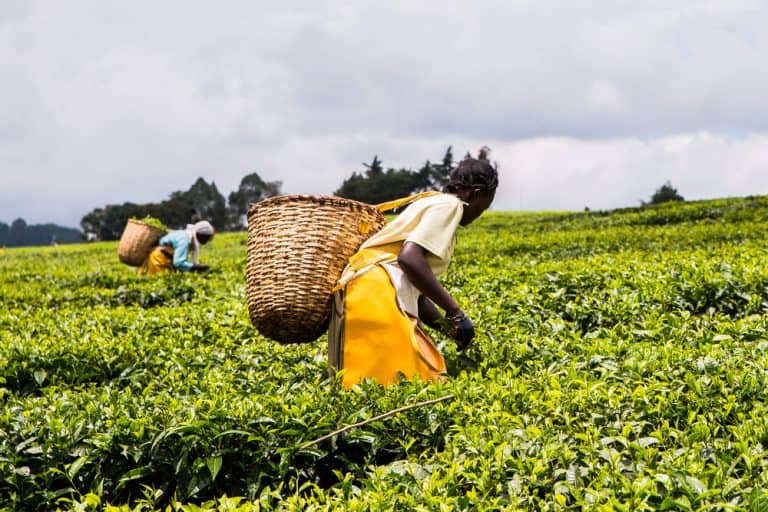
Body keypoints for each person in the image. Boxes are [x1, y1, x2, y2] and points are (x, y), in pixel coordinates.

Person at [328, 148, 498, 388]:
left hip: (362, 290)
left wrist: (448, 328)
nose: (482, 213)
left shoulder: (433, 203)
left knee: (359, 385)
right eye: (485, 205)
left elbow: (413, 290)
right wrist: (456, 312)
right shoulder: (450, 207)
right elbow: (409, 259)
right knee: (414, 381)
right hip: (377, 292)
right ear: (477, 194)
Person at [138, 220, 215, 276]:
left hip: (165, 258)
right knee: (158, 281)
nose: (207, 241)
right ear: (200, 235)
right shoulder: (184, 240)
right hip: (159, 259)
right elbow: (178, 262)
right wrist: (198, 267)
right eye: (206, 238)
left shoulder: (188, 237)